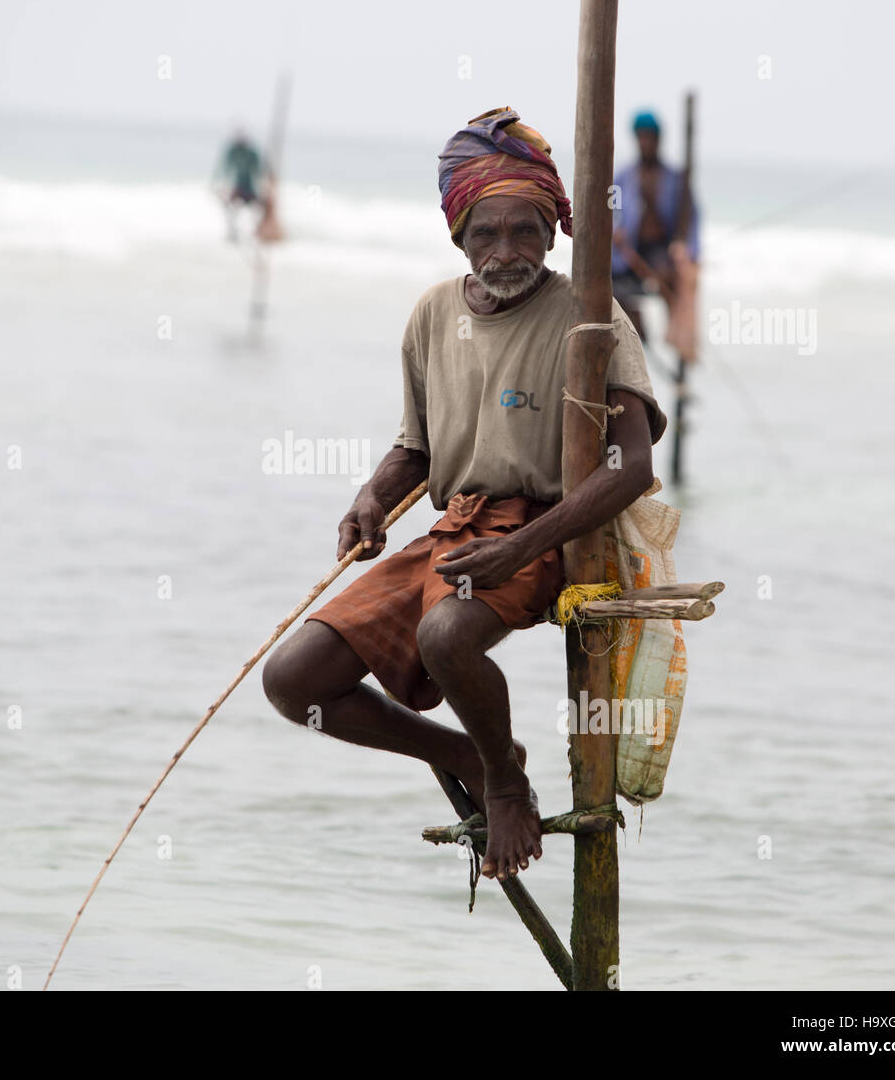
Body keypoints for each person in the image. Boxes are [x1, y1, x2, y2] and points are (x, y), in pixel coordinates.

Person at [262, 107, 666, 882]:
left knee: (447, 638)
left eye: (526, 230)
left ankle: (507, 785)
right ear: (457, 233)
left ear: (553, 232)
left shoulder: (589, 317)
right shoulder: (432, 315)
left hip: (552, 531)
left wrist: (519, 548)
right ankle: (476, 754)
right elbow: (417, 446)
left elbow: (631, 467)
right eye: (487, 233)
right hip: (455, 529)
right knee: (294, 681)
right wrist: (371, 500)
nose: (507, 250)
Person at [610, 110, 699, 343]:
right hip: (631, 251)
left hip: (660, 249)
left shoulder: (674, 178)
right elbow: (610, 210)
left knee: (668, 275)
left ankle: (677, 333)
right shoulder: (624, 177)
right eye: (642, 137)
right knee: (604, 284)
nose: (646, 143)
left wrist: (688, 249)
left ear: (658, 139)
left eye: (650, 137)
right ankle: (637, 329)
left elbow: (692, 218)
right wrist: (615, 231)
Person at [213, 129, 264, 241]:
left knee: (256, 212)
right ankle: (233, 233)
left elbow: (259, 172)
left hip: (250, 188)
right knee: (231, 210)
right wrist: (221, 186)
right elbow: (225, 170)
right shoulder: (233, 152)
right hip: (238, 188)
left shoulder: (252, 154)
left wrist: (263, 188)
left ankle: (254, 232)